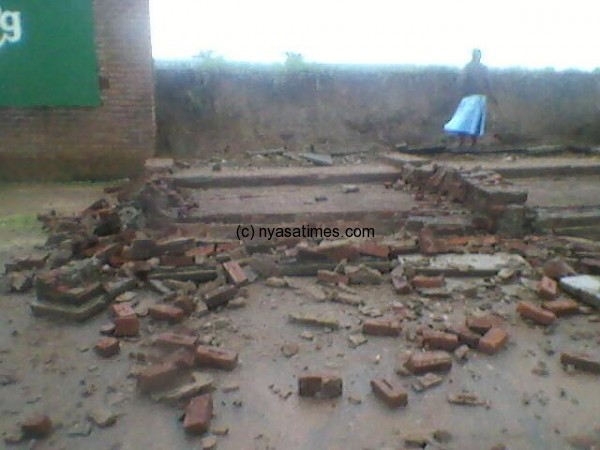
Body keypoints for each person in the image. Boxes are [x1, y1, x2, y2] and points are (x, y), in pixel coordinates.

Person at [444, 49, 497, 148]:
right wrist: (492, 96)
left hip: (474, 96)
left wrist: (491, 96)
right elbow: (487, 83)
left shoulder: (470, 67)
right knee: (469, 120)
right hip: (474, 96)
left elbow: (461, 81)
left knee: (468, 120)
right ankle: (467, 142)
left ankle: (467, 142)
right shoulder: (477, 68)